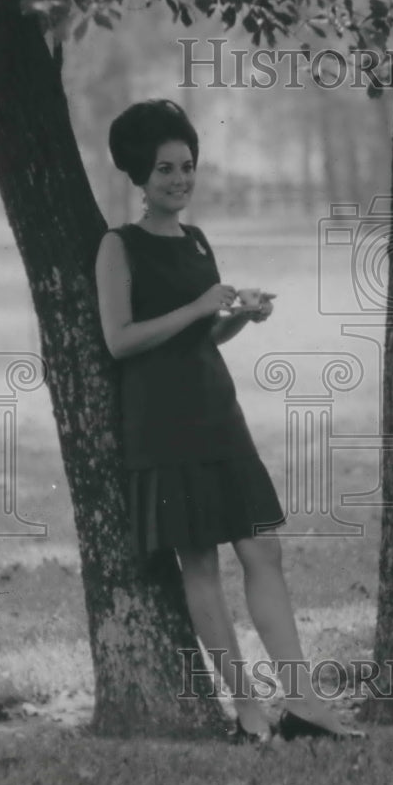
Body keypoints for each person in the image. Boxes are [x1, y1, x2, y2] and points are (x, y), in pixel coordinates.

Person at [95, 99, 362, 743]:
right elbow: (120, 340)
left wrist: (241, 315)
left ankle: (302, 705)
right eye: (165, 169)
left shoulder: (196, 239)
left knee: (262, 548)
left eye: (187, 166)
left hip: (217, 411)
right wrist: (196, 307)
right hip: (162, 421)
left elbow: (205, 335)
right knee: (202, 564)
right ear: (139, 173)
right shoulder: (118, 245)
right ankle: (248, 711)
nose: (179, 180)